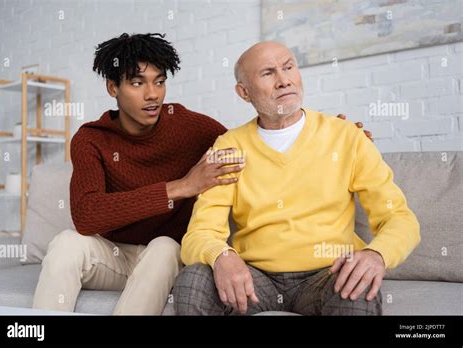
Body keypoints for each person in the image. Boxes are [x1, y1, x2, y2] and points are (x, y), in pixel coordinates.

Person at [32, 33, 372, 315]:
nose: (152, 94)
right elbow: (88, 217)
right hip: (112, 257)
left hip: (165, 258)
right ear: (112, 88)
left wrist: (335, 136)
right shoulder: (91, 139)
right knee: (64, 243)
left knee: (165, 246)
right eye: (137, 83)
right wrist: (180, 187)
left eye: (159, 82)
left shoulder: (190, 127)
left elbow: (260, 139)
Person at [173, 41, 420, 316]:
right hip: (254, 281)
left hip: (328, 274)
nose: (283, 80)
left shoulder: (347, 136)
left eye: (288, 67)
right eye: (267, 73)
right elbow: (200, 233)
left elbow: (399, 218)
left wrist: (378, 255)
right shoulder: (228, 147)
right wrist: (221, 255)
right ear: (244, 92)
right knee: (193, 281)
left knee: (356, 292)